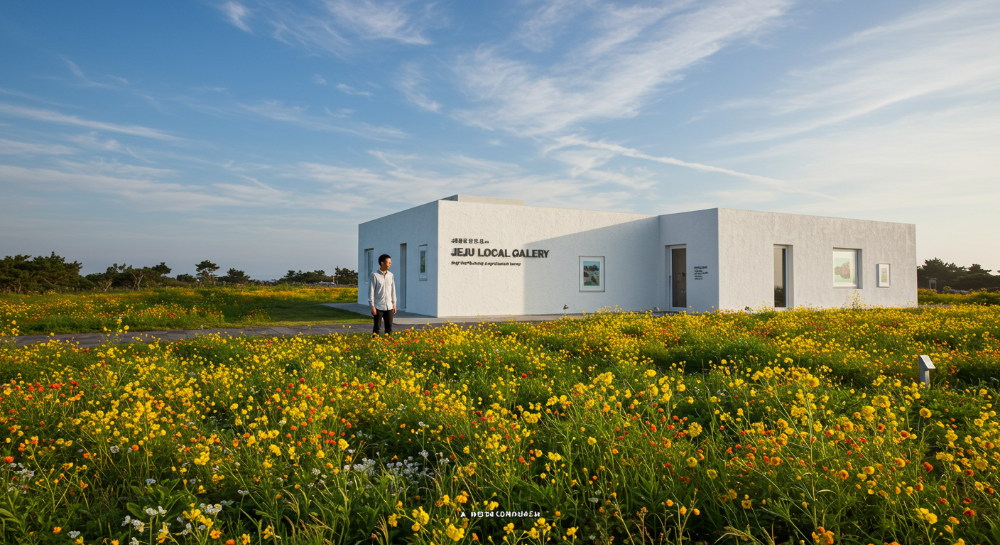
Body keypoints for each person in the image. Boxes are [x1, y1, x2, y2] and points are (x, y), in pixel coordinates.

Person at [369, 253, 396, 335]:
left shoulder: (391, 275)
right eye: (388, 262)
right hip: (378, 306)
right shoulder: (374, 275)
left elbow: (393, 290)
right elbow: (371, 291)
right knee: (377, 327)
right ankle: (374, 344)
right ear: (382, 263)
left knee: (389, 327)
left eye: (390, 263)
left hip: (389, 306)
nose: (390, 264)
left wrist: (394, 304)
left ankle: (388, 344)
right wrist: (372, 306)